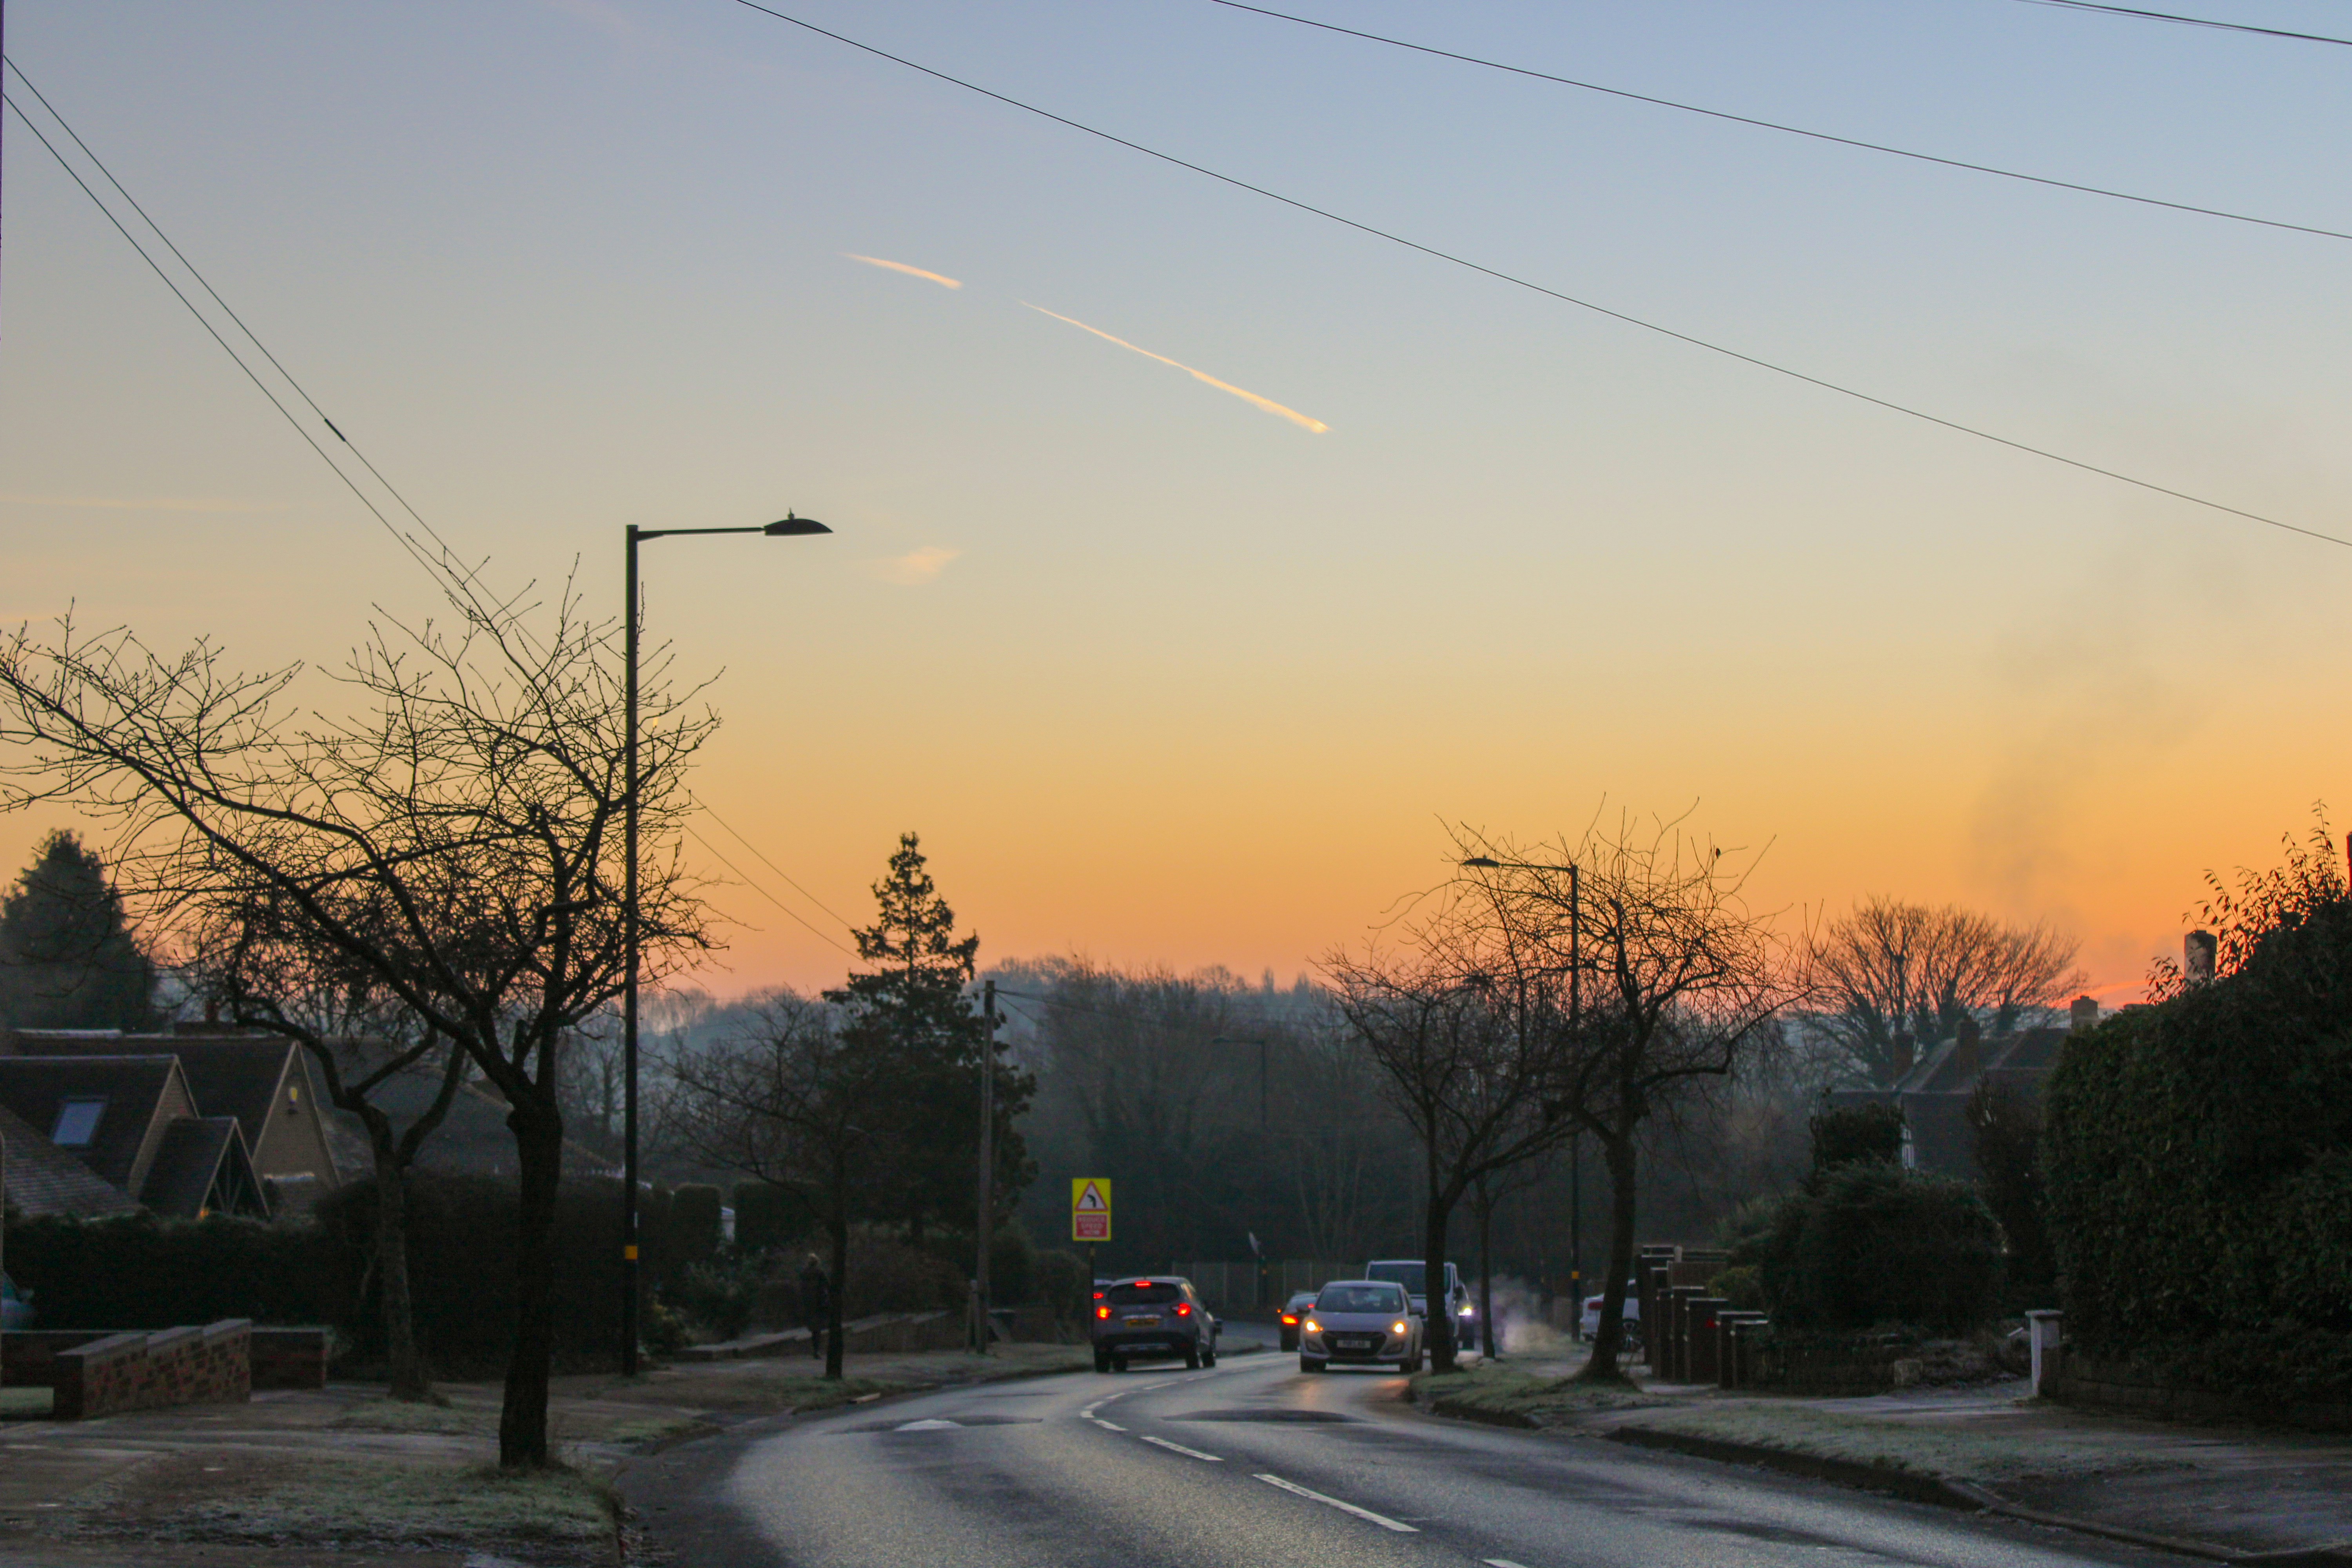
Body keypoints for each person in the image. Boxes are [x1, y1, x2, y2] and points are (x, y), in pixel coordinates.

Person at [798, 1253, 831, 1361]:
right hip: (819, 1303)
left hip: (809, 1304)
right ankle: (817, 1350)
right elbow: (827, 1285)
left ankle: (815, 1349)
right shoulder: (819, 1273)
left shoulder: (804, 1273)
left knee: (814, 1328)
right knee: (818, 1328)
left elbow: (802, 1288)